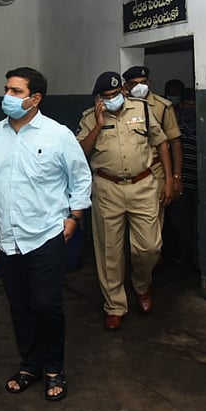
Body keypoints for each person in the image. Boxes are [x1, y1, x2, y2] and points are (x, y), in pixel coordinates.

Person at [0, 66, 92, 402]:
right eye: (6, 89)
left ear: (35, 98)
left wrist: (75, 216)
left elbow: (80, 177)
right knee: (19, 304)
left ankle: (54, 369)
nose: (7, 97)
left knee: (46, 304)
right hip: (4, 237)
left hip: (45, 234)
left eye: (16, 91)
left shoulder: (58, 135)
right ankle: (30, 365)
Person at [77, 71, 173, 331]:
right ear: (99, 99)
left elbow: (161, 142)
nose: (113, 100)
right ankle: (115, 306)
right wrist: (98, 124)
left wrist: (171, 180)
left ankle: (142, 285)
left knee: (149, 247)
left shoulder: (141, 109)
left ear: (123, 92)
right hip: (107, 188)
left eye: (116, 94)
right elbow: (80, 153)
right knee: (109, 251)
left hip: (143, 185)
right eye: (106, 97)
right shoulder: (89, 118)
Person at [122, 66, 182, 228]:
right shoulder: (120, 106)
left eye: (143, 82)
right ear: (126, 86)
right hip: (128, 172)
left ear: (149, 83)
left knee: (151, 225)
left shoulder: (162, 107)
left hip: (156, 170)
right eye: (134, 84)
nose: (140, 87)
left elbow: (175, 143)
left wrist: (175, 178)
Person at [164, 87, 199, 265]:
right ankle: (185, 253)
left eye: (194, 105)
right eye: (186, 105)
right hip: (182, 183)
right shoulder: (175, 128)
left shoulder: (205, 127)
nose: (190, 108)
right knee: (178, 221)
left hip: (200, 185)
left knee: (198, 223)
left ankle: (197, 258)